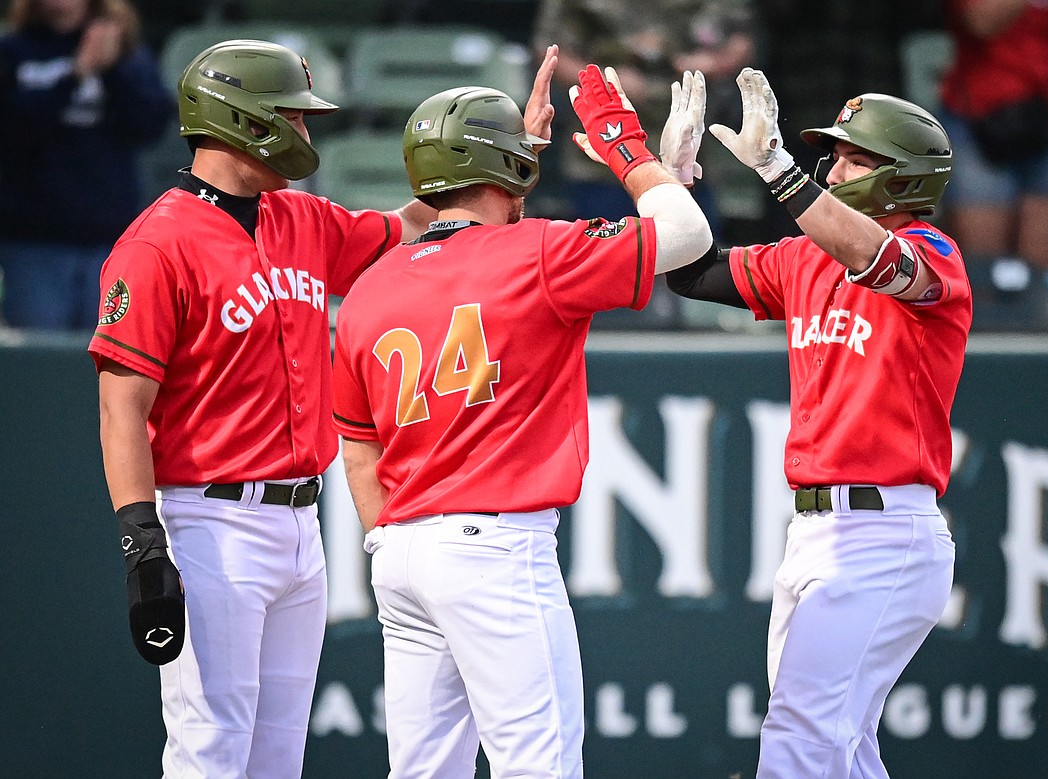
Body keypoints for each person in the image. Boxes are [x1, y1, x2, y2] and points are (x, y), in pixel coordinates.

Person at [330, 49, 712, 777]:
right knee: (539, 765)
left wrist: (390, 540)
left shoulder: (371, 288)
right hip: (491, 546)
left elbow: (357, 449)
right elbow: (687, 235)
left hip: (402, 550)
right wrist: (629, 154)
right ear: (508, 171)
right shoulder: (536, 251)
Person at [85, 38, 453, 778]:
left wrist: (501, 156)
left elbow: (411, 231)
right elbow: (121, 405)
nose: (306, 132)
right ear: (241, 118)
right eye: (292, 114)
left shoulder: (301, 219)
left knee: (278, 753)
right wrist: (141, 540)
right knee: (211, 746)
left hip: (299, 523)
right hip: (210, 522)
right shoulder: (156, 244)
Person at [664, 69, 970, 778]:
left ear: (902, 178)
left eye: (853, 157)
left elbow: (878, 258)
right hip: (816, 532)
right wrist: (669, 181)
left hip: (885, 533)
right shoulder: (804, 257)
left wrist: (776, 168)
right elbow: (690, 273)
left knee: (800, 737)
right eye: (832, 155)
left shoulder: (937, 256)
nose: (834, 169)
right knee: (842, 746)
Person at [531, 0, 756, 328]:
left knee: (694, 254)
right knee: (606, 258)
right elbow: (549, 49)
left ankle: (692, 334)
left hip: (684, 130)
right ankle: (612, 334)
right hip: (605, 137)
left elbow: (741, 37)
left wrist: (712, 62)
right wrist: (598, 78)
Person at [0, 0, 171, 330]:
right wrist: (77, 74)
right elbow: (13, 131)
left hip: (110, 238)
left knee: (108, 359)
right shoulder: (15, 50)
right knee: (43, 363)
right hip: (34, 239)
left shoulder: (123, 51)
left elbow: (149, 125)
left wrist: (112, 69)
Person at [937, 0, 1048, 327]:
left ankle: (1040, 369)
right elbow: (981, 20)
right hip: (979, 119)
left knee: (1043, 280)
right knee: (980, 275)